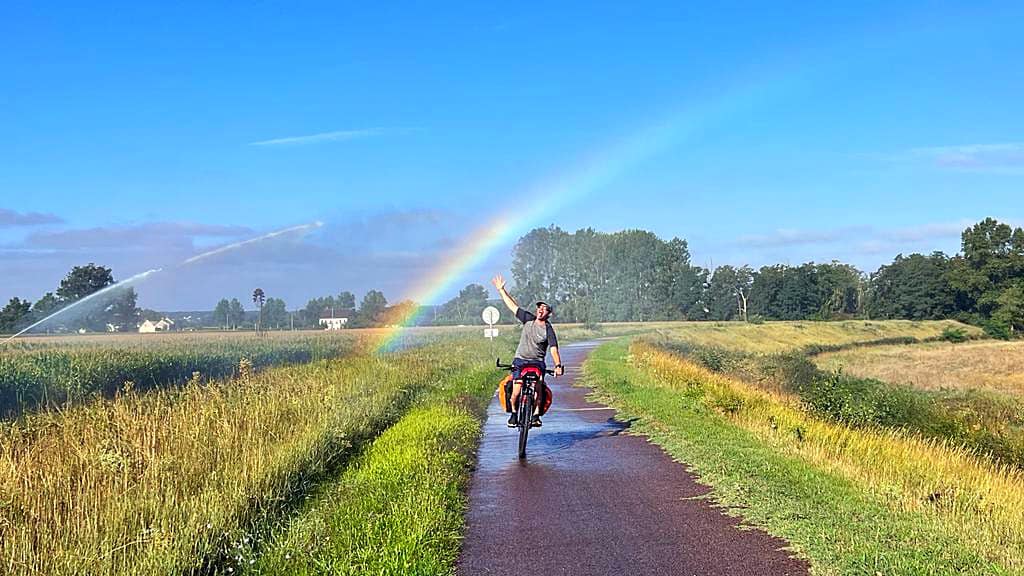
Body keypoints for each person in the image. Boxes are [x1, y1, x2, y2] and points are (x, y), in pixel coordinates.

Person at [491, 274, 564, 427]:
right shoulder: (528, 319)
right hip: (520, 359)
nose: (540, 310)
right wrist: (501, 290)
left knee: (538, 386)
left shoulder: (548, 329)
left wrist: (558, 365)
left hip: (537, 362)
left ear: (549, 313)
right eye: (539, 307)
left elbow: (553, 349)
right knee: (516, 389)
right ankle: (514, 414)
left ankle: (536, 415)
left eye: (544, 309)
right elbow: (513, 306)